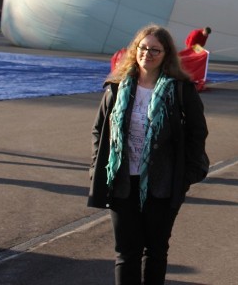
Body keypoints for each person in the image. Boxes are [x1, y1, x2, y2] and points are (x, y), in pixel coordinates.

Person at [88, 24, 209, 285]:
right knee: (126, 252)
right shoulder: (116, 88)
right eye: (143, 48)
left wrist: (185, 175)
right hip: (122, 182)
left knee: (155, 251)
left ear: (166, 54)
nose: (148, 54)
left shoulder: (180, 89)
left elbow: (197, 133)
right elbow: (100, 130)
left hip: (162, 185)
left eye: (156, 49)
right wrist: (95, 168)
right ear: (135, 50)